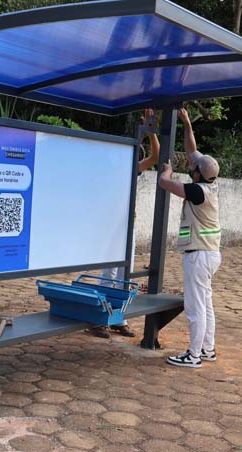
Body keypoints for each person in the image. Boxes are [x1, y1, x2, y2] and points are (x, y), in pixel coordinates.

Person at [157, 108, 222, 368]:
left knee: (195, 307)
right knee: (205, 304)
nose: (190, 165)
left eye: (192, 167)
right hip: (210, 254)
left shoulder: (196, 191)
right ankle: (208, 349)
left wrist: (168, 171)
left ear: (197, 173)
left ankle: (193, 356)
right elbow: (191, 150)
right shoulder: (210, 180)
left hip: (199, 256)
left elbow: (165, 184)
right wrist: (186, 123)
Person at [90, 108, 160, 339]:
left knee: (124, 276)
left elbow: (155, 156)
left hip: (126, 227)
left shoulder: (132, 170)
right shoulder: (107, 173)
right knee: (108, 274)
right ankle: (99, 318)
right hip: (109, 227)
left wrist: (150, 131)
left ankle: (118, 318)